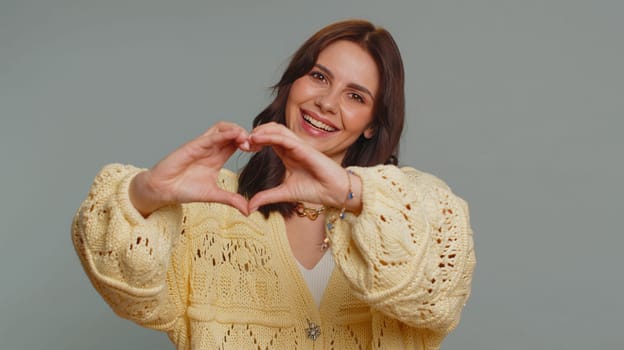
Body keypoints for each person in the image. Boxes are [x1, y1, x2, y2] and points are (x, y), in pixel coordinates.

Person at [72, 19, 476, 349]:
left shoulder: (405, 209)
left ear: (373, 124)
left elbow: (441, 297)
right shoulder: (211, 206)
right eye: (319, 76)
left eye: (356, 96)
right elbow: (129, 295)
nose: (327, 103)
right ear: (292, 84)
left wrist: (350, 194)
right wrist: (146, 194)